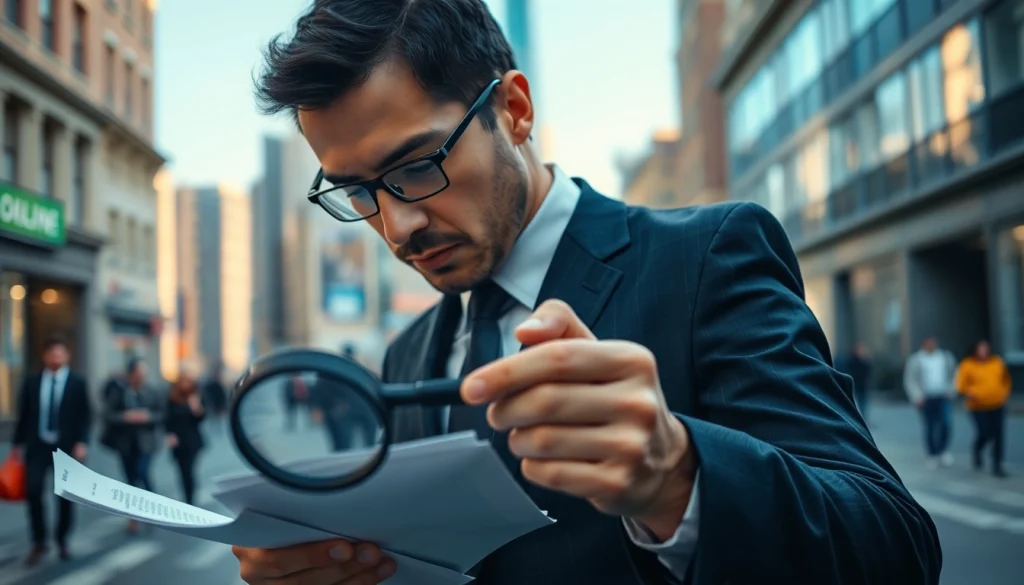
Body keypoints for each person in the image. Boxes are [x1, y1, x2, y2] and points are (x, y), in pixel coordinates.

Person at [232, 2, 942, 584]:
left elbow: (894, 550)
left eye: (417, 166)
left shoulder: (706, 258)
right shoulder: (409, 351)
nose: (397, 226)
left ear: (514, 109)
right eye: (358, 193)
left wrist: (680, 476)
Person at [10, 336, 91, 566]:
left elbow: (85, 415)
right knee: (33, 491)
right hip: (37, 446)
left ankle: (62, 539)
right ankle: (39, 541)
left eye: (60, 354)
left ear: (67, 356)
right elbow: (24, 415)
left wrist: (82, 442)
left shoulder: (77, 383)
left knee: (65, 495)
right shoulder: (32, 382)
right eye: (52, 354)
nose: (56, 358)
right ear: (45, 356)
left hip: (66, 448)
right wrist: (17, 446)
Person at [100, 357, 165, 533]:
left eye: (143, 373)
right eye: (137, 373)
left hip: (146, 442)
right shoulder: (120, 392)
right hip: (126, 443)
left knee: (143, 474)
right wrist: (125, 417)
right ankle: (133, 516)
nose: (141, 377)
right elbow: (108, 414)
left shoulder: (152, 391)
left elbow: (161, 413)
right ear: (130, 375)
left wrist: (147, 417)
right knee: (130, 480)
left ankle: (153, 510)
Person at [955, 340, 1011, 478]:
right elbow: (961, 384)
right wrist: (969, 392)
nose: (984, 351)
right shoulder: (968, 364)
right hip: (978, 406)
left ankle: (997, 464)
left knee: (998, 435)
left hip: (997, 404)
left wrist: (1003, 393)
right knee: (985, 432)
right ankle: (977, 450)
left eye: (986, 348)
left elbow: (1006, 380)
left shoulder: (997, 362)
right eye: (981, 349)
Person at [904, 336, 958, 469]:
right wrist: (917, 396)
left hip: (943, 396)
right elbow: (910, 379)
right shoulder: (916, 360)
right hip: (926, 398)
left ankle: (943, 450)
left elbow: (955, 374)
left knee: (946, 424)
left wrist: (952, 390)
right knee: (930, 426)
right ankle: (932, 453)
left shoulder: (945, 357)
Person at [165, 372, 207, 504]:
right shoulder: (172, 399)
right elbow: (167, 418)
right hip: (178, 440)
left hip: (192, 440)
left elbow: (200, 418)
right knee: (182, 470)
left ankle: (190, 498)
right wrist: (169, 434)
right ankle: (187, 494)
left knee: (189, 469)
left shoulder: (195, 398)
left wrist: (196, 406)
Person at [837, 342, 873, 423]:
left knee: (863, 402)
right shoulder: (852, 360)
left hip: (862, 385)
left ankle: (863, 419)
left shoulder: (864, 360)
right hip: (855, 385)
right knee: (855, 402)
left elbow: (868, 371)